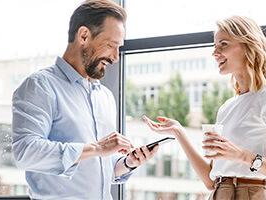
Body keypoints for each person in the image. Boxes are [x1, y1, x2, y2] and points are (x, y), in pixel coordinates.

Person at [143, 16, 266, 200]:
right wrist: (179, 132)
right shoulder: (227, 108)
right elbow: (210, 180)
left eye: (224, 44)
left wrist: (243, 156)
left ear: (248, 45)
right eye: (215, 46)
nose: (215, 53)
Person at [11, 1, 158, 199]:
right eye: (110, 45)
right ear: (84, 36)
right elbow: (25, 152)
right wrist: (97, 148)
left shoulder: (104, 96)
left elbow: (95, 170)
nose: (115, 57)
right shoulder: (40, 86)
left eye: (119, 48)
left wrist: (127, 163)